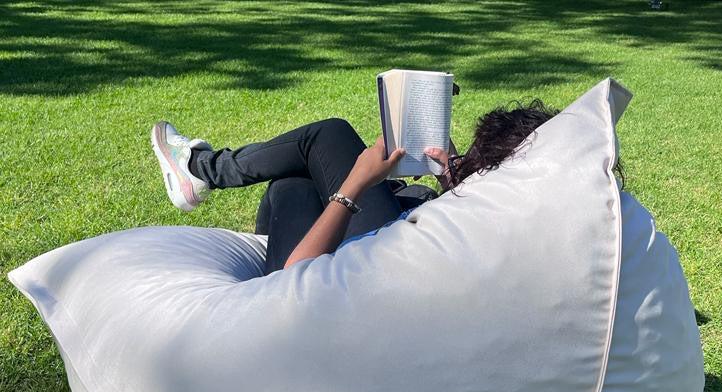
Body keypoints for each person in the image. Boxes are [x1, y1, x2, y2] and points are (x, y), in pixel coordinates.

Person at [151, 101, 561, 275]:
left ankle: (203, 169)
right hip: (404, 258)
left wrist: (357, 183)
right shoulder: (536, 214)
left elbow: (294, 280)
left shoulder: (477, 243)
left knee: (326, 139)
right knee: (293, 182)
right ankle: (205, 173)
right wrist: (452, 183)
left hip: (363, 286)